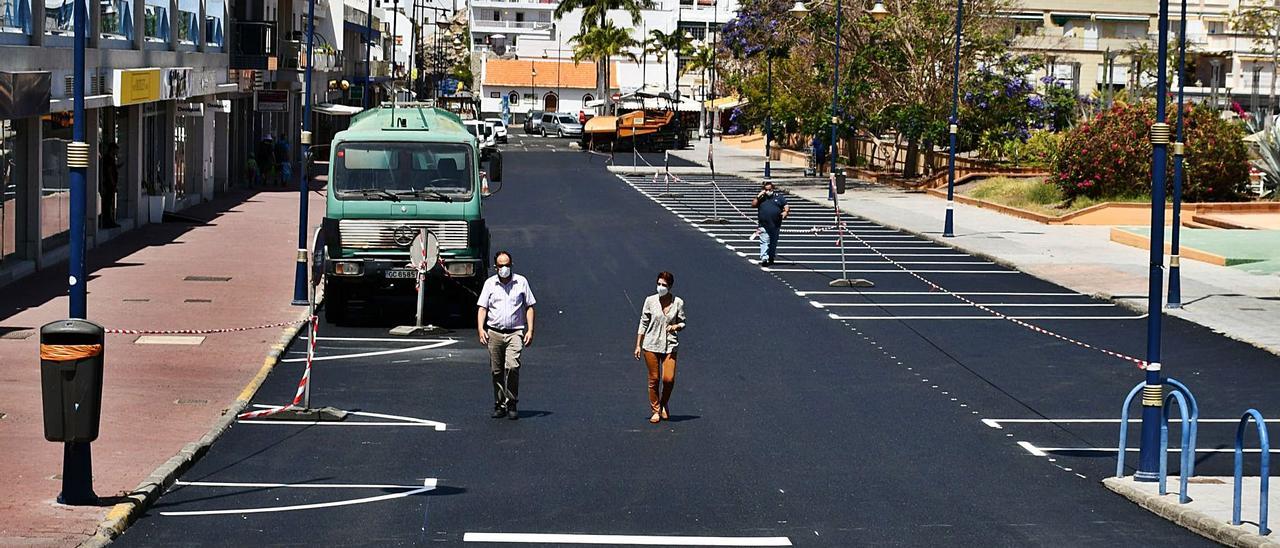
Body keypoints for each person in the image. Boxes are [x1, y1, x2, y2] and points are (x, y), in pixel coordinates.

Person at [476, 251, 536, 420]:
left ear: (512, 265)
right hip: (494, 332)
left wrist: (530, 330)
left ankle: (512, 402)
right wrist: (481, 329)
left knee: (512, 366)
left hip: (515, 332)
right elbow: (482, 307)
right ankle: (499, 403)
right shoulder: (490, 284)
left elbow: (530, 306)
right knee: (496, 371)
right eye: (501, 265)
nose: (504, 268)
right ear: (496, 267)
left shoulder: (521, 282)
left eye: (507, 265)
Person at [633, 271, 686, 424]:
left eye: (664, 285)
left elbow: (683, 322)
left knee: (668, 379)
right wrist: (638, 345)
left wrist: (675, 326)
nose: (660, 287)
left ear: (670, 286)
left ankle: (664, 403)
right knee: (654, 379)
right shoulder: (650, 301)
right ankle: (655, 410)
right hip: (651, 343)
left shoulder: (678, 303)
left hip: (670, 344)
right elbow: (643, 322)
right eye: (659, 284)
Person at [751, 181, 790, 266]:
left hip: (775, 225)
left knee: (773, 243)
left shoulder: (779, 197)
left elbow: (786, 205)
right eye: (766, 189)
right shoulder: (761, 198)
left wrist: (785, 212)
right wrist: (758, 196)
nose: (768, 191)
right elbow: (753, 204)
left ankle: (771, 257)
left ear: (773, 189)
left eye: (770, 189)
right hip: (763, 225)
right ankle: (764, 258)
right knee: (764, 242)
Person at [98, 142, 120, 228]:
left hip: (110, 184)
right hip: (108, 185)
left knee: (109, 203)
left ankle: (109, 220)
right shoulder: (108, 159)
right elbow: (109, 171)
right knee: (107, 204)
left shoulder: (111, 159)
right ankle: (106, 221)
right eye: (116, 150)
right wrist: (113, 183)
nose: (117, 152)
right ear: (112, 149)